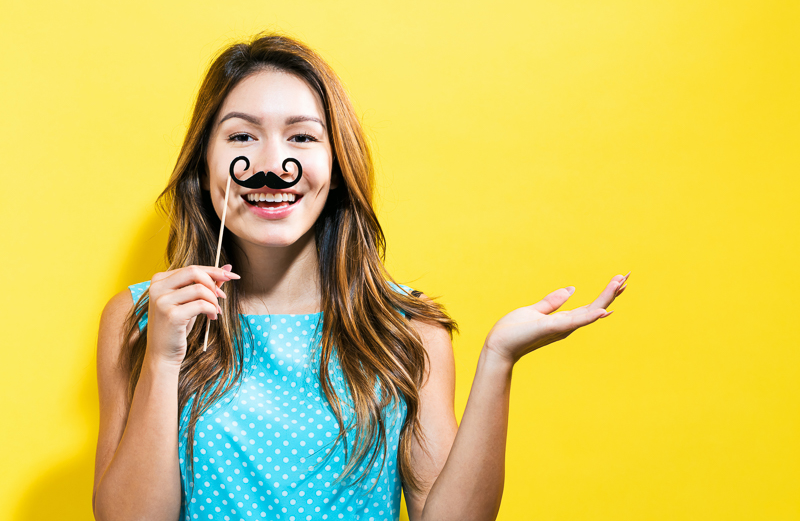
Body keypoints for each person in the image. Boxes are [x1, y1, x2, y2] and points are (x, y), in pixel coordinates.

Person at [92, 34, 629, 521]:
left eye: (301, 138)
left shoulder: (404, 328)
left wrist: (498, 362)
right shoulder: (140, 317)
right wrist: (164, 359)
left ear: (337, 164)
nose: (272, 164)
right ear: (204, 162)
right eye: (241, 137)